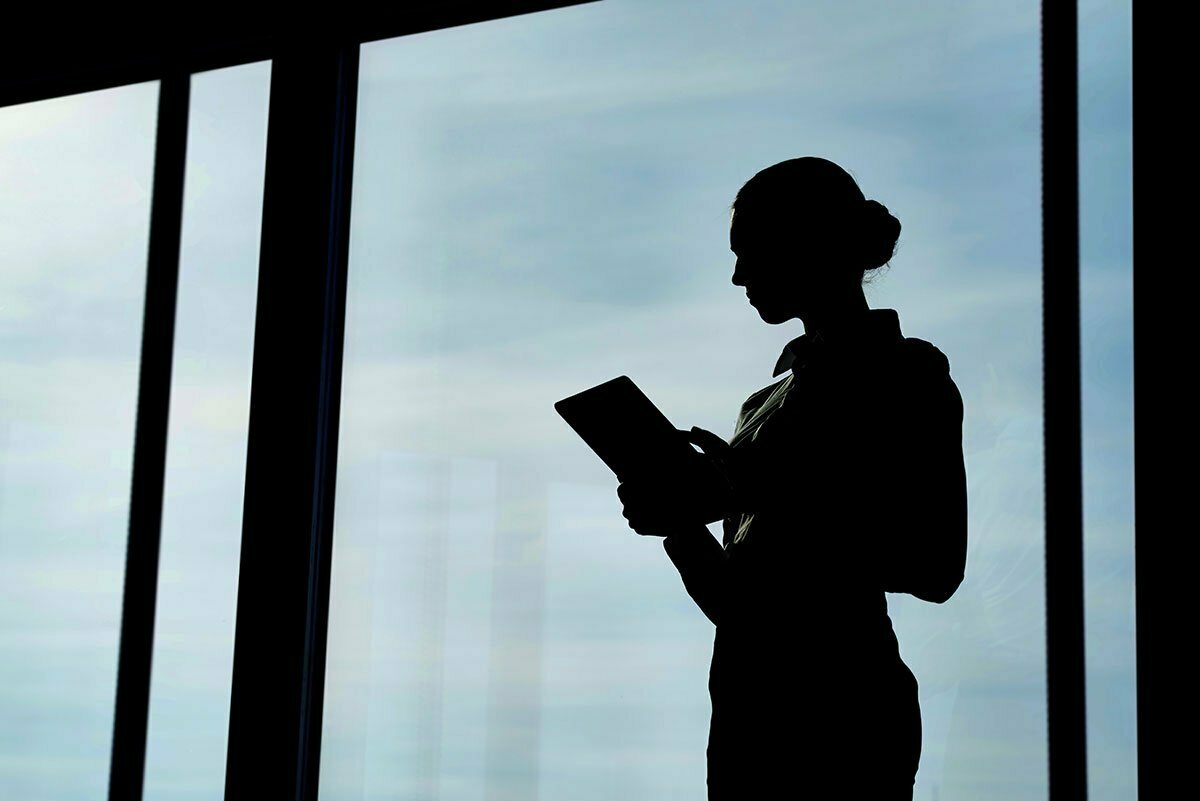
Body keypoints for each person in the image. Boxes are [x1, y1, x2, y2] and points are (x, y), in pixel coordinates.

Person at [616, 156, 967, 800]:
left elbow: (935, 563)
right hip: (748, 723)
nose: (738, 275)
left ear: (810, 245)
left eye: (752, 251)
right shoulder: (760, 409)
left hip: (846, 715)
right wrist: (682, 525)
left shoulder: (906, 373)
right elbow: (737, 607)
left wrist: (749, 489)